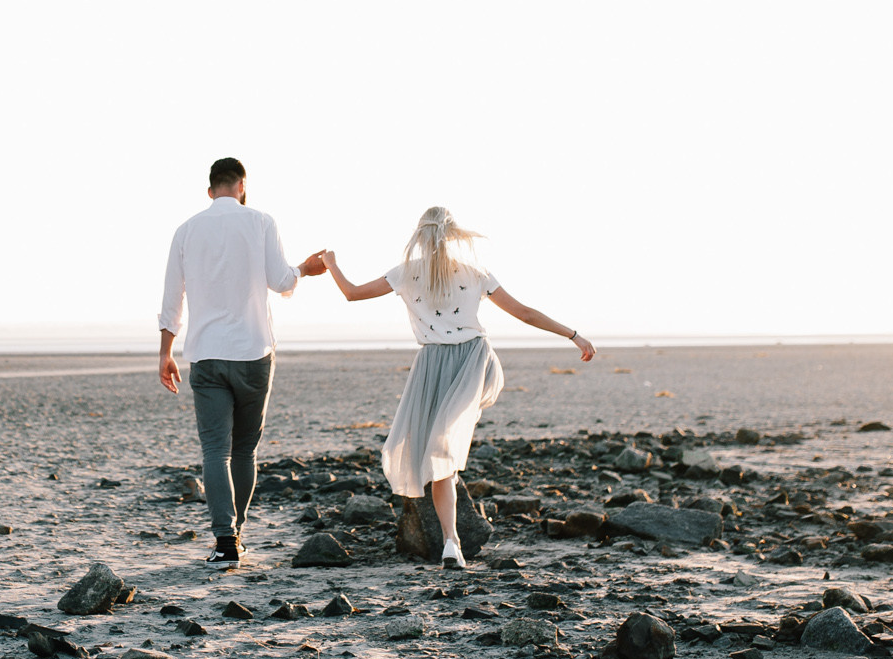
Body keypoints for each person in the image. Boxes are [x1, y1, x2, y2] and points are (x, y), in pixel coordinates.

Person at [320, 208, 593, 568]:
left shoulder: (405, 272)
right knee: (441, 456)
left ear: (420, 234)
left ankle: (452, 541)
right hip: (473, 360)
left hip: (435, 364)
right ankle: (451, 544)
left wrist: (331, 263)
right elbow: (524, 313)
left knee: (440, 455)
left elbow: (352, 294)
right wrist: (574, 335)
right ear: (452, 234)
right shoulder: (473, 272)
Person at [158, 157, 327, 567]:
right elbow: (282, 281)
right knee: (245, 449)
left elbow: (171, 297)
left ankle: (224, 542)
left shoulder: (186, 230)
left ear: (210, 189)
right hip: (253, 351)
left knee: (215, 450)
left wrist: (165, 352)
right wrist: (306, 268)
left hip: (206, 353)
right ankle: (238, 532)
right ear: (242, 187)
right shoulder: (261, 221)